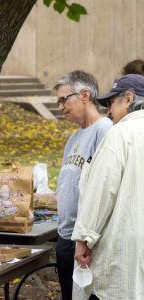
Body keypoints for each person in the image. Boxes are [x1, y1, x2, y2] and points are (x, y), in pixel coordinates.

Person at [72, 74, 144, 300]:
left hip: (122, 250)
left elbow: (101, 190)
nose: (108, 111)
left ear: (128, 98)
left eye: (111, 103)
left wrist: (84, 239)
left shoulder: (119, 134)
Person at [54, 70, 112, 300]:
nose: (60, 107)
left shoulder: (105, 130)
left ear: (85, 95)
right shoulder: (74, 138)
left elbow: (103, 187)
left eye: (63, 99)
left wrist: (86, 239)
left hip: (86, 242)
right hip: (65, 236)